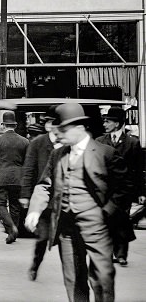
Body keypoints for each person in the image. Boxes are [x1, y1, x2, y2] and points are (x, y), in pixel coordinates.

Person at [26, 102, 133, 302]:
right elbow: (44, 185)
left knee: (101, 278)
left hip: (98, 227)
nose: (58, 135)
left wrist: (106, 212)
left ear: (79, 128)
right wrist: (34, 210)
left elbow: (124, 187)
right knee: (74, 278)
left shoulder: (105, 153)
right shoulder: (57, 154)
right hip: (66, 227)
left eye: (63, 130)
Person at [96, 106, 143, 267]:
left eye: (108, 121)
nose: (105, 124)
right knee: (106, 221)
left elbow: (138, 170)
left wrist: (141, 192)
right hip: (105, 190)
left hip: (124, 190)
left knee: (122, 221)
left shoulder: (132, 143)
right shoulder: (100, 141)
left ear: (117, 124)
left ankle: (121, 254)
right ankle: (108, 253)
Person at [20, 106, 62, 282]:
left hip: (62, 202)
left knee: (66, 241)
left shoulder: (66, 144)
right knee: (42, 237)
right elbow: (28, 169)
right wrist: (25, 194)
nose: (49, 125)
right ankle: (35, 265)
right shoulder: (37, 143)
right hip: (43, 198)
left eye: (52, 122)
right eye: (48, 122)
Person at [0, 110, 29, 243]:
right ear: (14, 125)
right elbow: (27, 163)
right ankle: (13, 233)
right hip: (18, 178)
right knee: (15, 206)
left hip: (1, 178)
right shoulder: (24, 141)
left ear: (4, 125)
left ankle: (11, 229)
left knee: (1, 205)